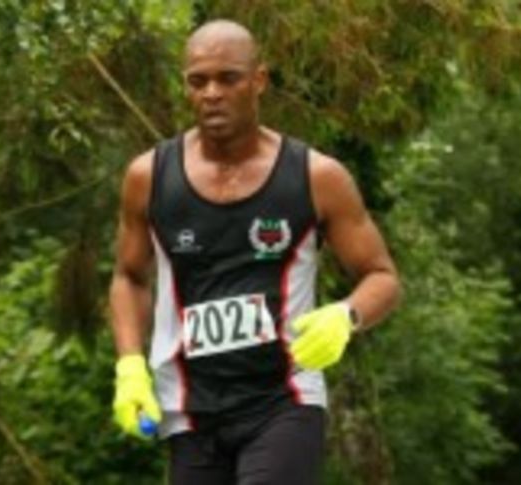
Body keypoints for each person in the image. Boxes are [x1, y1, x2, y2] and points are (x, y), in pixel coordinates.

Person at [108, 19, 401, 485]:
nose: (212, 93)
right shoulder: (149, 177)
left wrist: (345, 316)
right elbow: (129, 277)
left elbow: (382, 276)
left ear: (259, 80)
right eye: (198, 81)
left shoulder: (316, 176)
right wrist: (129, 364)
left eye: (228, 78)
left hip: (284, 398)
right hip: (189, 408)